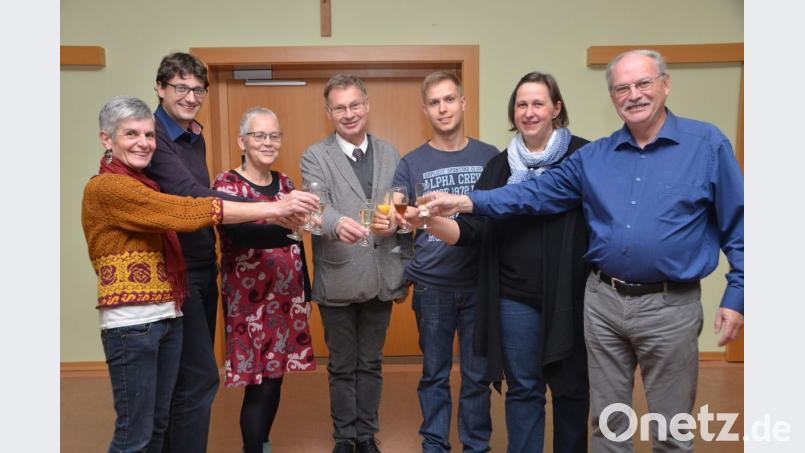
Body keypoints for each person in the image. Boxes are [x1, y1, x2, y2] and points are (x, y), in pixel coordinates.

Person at [423, 50, 744, 453]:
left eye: (643, 83)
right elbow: (534, 193)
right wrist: (464, 202)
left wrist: (737, 294)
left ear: (665, 84)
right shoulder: (594, 157)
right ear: (612, 97)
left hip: (668, 305)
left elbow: (739, 222)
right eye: (622, 88)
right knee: (608, 426)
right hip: (604, 303)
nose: (633, 95)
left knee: (670, 428)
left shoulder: (706, 144)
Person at [82, 96, 318, 453]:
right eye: (131, 134)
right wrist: (274, 209)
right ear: (107, 139)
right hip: (132, 325)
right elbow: (184, 212)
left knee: (159, 423)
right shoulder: (108, 187)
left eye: (149, 135)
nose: (144, 143)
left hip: (166, 313)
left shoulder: (147, 184)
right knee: (135, 435)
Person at [408, 71, 591, 453]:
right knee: (523, 389)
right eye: (521, 104)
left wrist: (462, 203)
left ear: (556, 108)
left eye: (538, 103)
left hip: (569, 295)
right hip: (514, 297)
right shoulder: (499, 166)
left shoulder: (582, 156)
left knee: (571, 390)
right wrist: (427, 220)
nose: (529, 112)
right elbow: (472, 231)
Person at [373, 71, 498, 453]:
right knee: (434, 376)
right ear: (425, 110)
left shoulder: (491, 156)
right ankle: (434, 445)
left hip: (480, 284)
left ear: (463, 103)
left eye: (449, 99)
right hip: (432, 286)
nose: (443, 108)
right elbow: (394, 211)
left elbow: (501, 213)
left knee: (477, 377)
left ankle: (476, 446)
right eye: (434, 102)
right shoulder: (412, 162)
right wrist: (391, 219)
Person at [300, 74, 409, 453]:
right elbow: (316, 208)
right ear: (328, 112)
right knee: (343, 365)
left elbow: (401, 204)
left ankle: (367, 436)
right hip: (338, 277)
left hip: (382, 276)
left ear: (367, 105)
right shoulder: (315, 156)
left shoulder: (391, 153)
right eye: (340, 108)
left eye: (355, 105)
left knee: (372, 363)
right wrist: (336, 223)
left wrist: (398, 225)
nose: (349, 114)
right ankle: (345, 438)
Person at [143, 52, 244, 453]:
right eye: (181, 88)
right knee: (199, 378)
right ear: (160, 88)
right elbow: (189, 195)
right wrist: (266, 207)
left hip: (202, 266)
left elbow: (201, 202)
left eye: (198, 89)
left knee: (183, 380)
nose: (191, 97)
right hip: (175, 272)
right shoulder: (152, 134)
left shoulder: (193, 134)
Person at [213, 108, 317, 453]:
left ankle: (263, 444)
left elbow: (296, 242)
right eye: (259, 135)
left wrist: (306, 293)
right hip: (249, 304)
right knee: (256, 384)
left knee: (274, 378)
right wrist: (288, 224)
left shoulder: (285, 183)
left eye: (274, 136)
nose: (268, 142)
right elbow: (240, 235)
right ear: (242, 141)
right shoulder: (227, 184)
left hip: (286, 298)